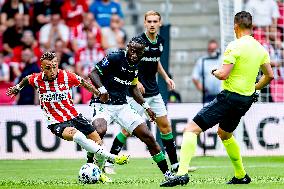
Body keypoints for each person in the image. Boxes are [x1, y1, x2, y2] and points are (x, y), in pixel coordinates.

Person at [161, 11, 274, 187]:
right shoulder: (260, 48)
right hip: (246, 100)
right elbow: (269, 76)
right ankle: (241, 175)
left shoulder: (234, 46)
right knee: (225, 134)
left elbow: (223, 75)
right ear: (251, 27)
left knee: (191, 129)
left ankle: (182, 173)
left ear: (235, 26)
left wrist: (214, 71)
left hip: (229, 98)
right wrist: (253, 87)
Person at [6, 51, 129, 183]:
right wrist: (18, 87)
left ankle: (99, 174)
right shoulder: (37, 79)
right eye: (48, 68)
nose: (52, 70)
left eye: (54, 66)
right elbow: (26, 79)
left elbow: (83, 82)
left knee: (98, 142)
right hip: (56, 122)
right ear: (42, 68)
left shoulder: (66, 75)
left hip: (74, 116)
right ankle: (113, 158)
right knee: (77, 135)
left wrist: (98, 93)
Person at [102, 10, 195, 175]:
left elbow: (156, 61)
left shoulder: (160, 41)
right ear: (145, 23)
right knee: (127, 130)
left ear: (160, 23)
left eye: (155, 21)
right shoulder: (138, 42)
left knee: (165, 127)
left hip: (154, 91)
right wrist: (136, 82)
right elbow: (129, 62)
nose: (152, 24)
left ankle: (174, 165)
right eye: (149, 21)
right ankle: (109, 163)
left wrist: (166, 78)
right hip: (136, 93)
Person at [88, 36, 174, 183]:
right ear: (128, 48)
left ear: (142, 54)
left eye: (137, 52)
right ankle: (91, 166)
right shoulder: (115, 57)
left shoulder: (135, 65)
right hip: (103, 104)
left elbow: (133, 87)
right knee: (99, 131)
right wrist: (102, 89)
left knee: (148, 136)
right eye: (131, 50)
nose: (133, 54)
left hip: (122, 106)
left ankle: (168, 175)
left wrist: (146, 107)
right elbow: (93, 73)